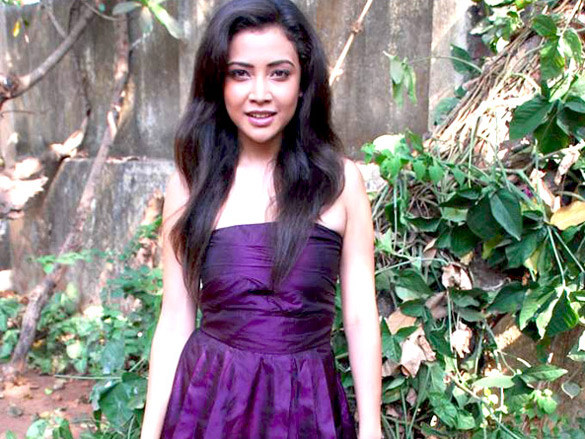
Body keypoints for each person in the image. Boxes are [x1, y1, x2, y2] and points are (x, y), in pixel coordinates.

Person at [140, 0, 381, 438]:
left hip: (309, 411)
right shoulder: (191, 185)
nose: (260, 93)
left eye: (279, 73)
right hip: (211, 410)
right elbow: (175, 319)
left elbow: (361, 317)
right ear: (218, 82)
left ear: (303, 82)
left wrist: (371, 429)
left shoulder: (341, 183)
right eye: (240, 73)